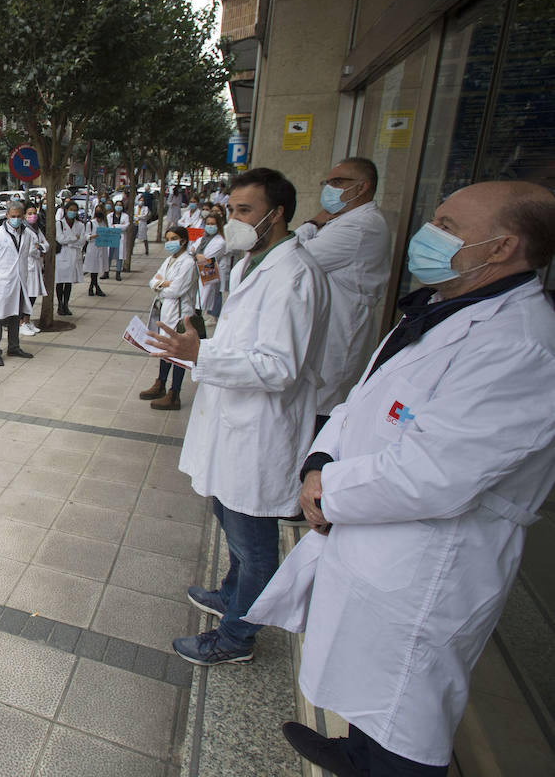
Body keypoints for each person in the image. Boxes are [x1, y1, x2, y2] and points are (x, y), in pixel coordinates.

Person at [254, 181, 555, 777]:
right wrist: (319, 464)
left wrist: (327, 492)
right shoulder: (442, 308)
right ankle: (356, 751)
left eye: (447, 224)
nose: (429, 233)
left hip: (427, 558)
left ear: (501, 248)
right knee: (369, 675)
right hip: (366, 522)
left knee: (407, 706)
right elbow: (361, 403)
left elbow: (437, 474)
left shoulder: (520, 345)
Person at [146, 167, 329, 666]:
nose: (234, 220)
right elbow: (236, 342)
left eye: (245, 211)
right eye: (232, 210)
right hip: (232, 421)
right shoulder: (252, 264)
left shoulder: (294, 276)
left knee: (255, 542)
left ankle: (236, 637)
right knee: (229, 519)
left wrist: (201, 355)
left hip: (261, 431)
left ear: (279, 214)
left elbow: (279, 367)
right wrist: (194, 349)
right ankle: (232, 593)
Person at [293, 157, 392, 425]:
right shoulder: (347, 221)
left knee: (321, 411)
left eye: (337, 182)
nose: (330, 188)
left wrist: (312, 224)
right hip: (329, 325)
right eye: (328, 182)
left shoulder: (360, 226)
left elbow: (295, 260)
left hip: (339, 330)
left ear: (362, 187)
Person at [139, 227, 198, 410]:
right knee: (165, 349)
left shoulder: (188, 263)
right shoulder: (169, 260)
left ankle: (175, 394)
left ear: (183, 241)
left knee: (178, 353)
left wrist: (160, 285)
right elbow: (153, 280)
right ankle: (161, 383)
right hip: (167, 310)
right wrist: (161, 283)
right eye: (168, 239)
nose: (170, 242)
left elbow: (176, 290)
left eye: (174, 238)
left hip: (181, 314)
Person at [0, 202, 35, 366]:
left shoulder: (26, 234)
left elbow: (25, 257)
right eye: (13, 216)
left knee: (15, 315)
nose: (16, 219)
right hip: (3, 282)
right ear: (7, 216)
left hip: (19, 282)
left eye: (19, 216)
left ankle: (14, 346)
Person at [192, 211, 228, 319]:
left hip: (208, 272)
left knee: (202, 305)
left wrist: (195, 254)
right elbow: (192, 250)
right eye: (208, 223)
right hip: (197, 272)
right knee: (195, 303)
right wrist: (196, 255)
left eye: (213, 224)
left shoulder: (220, 242)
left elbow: (207, 258)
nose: (210, 226)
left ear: (218, 225)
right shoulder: (201, 239)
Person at [54, 200, 86, 316]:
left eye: (75, 210)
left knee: (68, 283)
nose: (72, 212)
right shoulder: (60, 224)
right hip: (62, 256)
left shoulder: (80, 225)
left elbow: (82, 241)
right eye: (70, 210)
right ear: (66, 210)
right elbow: (60, 239)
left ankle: (66, 305)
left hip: (74, 256)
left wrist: (70, 240)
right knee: (60, 282)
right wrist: (74, 238)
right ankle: (59, 304)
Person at [19, 204, 46, 336]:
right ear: (24, 215)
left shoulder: (36, 229)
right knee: (27, 296)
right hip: (28, 267)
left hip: (36, 266)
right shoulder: (24, 230)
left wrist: (39, 247)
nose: (32, 216)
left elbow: (45, 244)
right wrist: (38, 249)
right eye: (29, 213)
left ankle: (27, 321)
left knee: (33, 295)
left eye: (34, 213)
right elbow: (28, 250)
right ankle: (21, 323)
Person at [82, 203, 108, 296]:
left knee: (96, 269)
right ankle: (96, 288)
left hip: (102, 248)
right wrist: (93, 236)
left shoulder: (104, 223)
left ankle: (92, 288)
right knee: (93, 269)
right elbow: (86, 236)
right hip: (93, 248)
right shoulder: (91, 223)